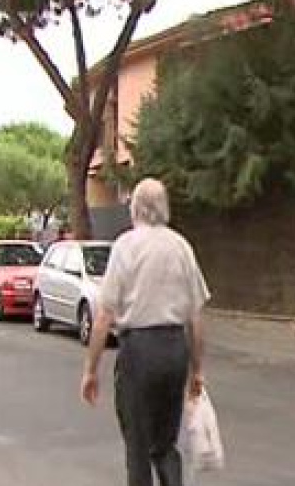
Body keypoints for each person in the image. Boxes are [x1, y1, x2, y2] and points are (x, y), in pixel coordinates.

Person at [80, 178, 210, 486]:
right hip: (174, 350)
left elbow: (104, 316)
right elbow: (196, 317)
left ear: (134, 208)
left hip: (139, 351)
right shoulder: (181, 246)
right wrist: (197, 370)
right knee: (165, 443)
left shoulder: (126, 246)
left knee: (137, 445)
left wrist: (91, 370)